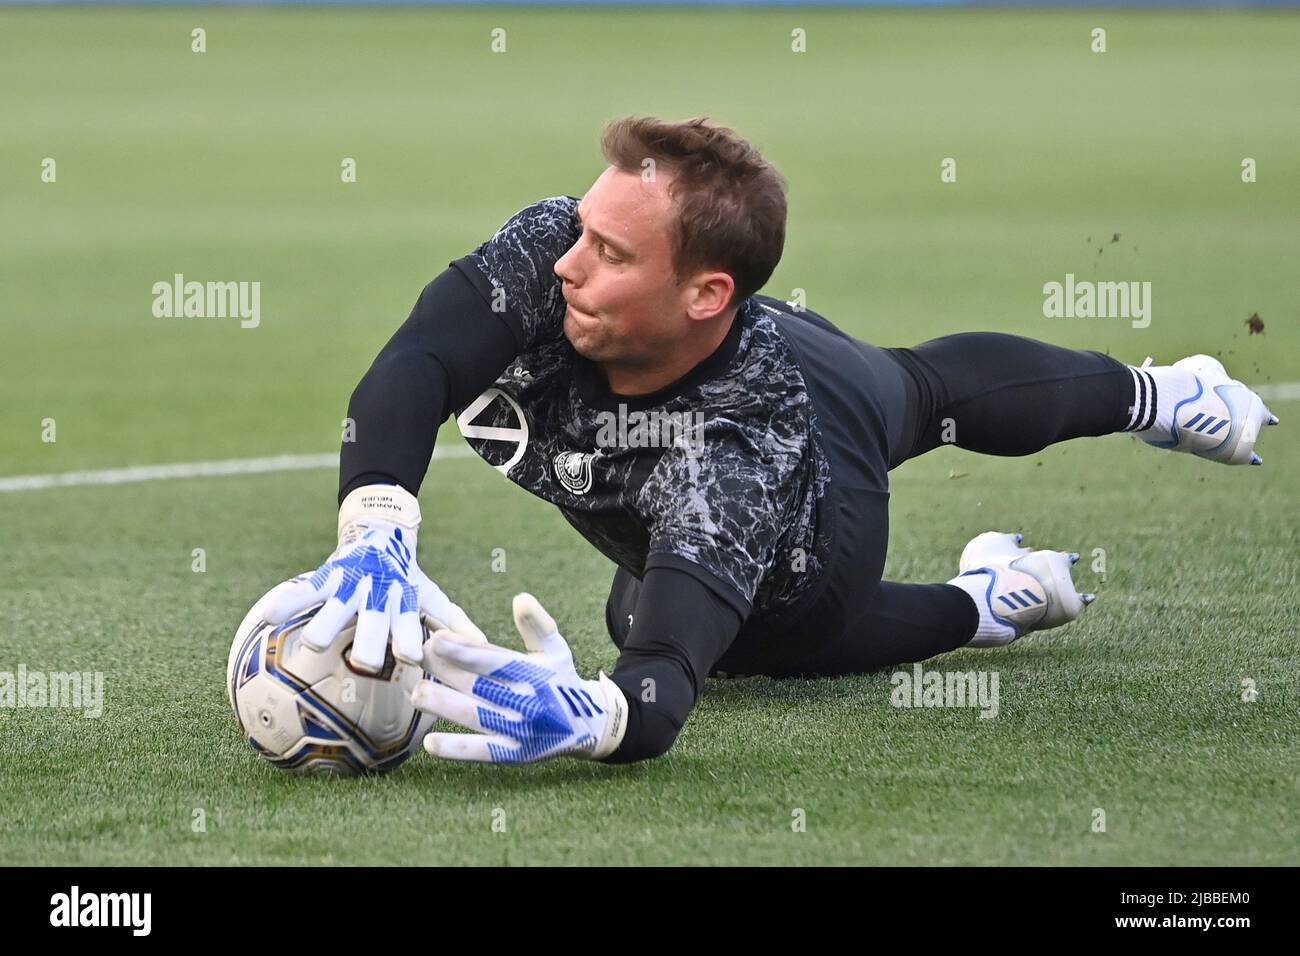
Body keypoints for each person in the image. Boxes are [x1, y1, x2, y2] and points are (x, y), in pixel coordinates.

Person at [259, 115, 1278, 766]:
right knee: (633, 591)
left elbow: (660, 680)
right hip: (714, 357)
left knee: (768, 609)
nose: (566, 263)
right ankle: (1017, 566)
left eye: (608, 250)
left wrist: (605, 719)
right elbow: (415, 365)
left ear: (702, 290)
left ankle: (1105, 456)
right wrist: (376, 523)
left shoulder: (733, 461)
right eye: (583, 228)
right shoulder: (550, 253)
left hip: (816, 511)